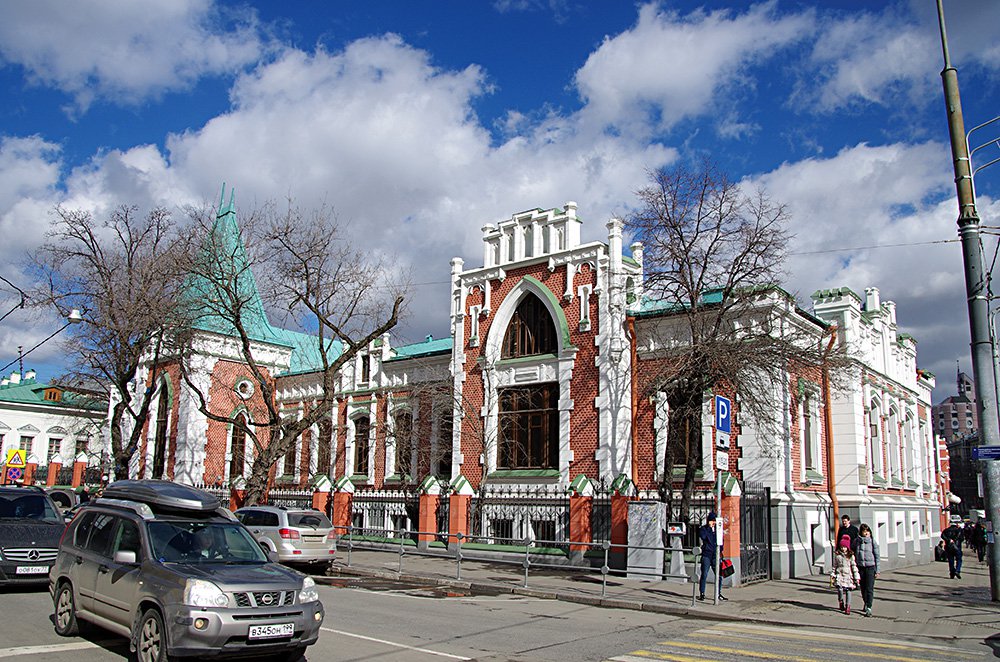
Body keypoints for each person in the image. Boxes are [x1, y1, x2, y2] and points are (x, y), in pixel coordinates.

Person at [697, 512, 726, 602]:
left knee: (719, 575)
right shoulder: (704, 529)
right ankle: (702, 593)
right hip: (707, 554)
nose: (713, 523)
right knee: (704, 574)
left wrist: (720, 551)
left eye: (714, 521)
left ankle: (718, 593)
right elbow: (703, 537)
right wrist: (709, 528)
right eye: (712, 521)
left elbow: (721, 541)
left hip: (715, 555)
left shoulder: (718, 530)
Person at [852, 523, 879, 617]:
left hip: (871, 567)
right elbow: (852, 551)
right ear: (861, 532)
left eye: (867, 531)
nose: (866, 533)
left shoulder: (872, 542)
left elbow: (877, 556)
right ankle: (866, 602)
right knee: (863, 588)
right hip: (861, 567)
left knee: (869, 588)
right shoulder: (857, 541)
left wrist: (877, 570)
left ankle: (869, 607)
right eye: (864, 531)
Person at [831, 534, 860, 615]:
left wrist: (856, 577)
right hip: (839, 575)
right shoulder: (837, 556)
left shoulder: (850, 556)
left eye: (845, 547)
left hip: (848, 576)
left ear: (847, 547)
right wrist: (833, 574)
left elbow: (854, 566)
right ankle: (841, 601)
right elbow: (835, 566)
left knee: (848, 591)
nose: (843, 549)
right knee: (840, 589)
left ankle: (848, 606)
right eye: (842, 547)